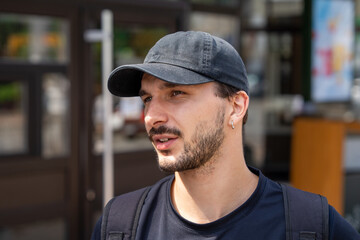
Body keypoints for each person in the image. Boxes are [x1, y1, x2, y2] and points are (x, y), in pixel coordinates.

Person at [91, 31, 360, 240]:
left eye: (176, 93)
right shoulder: (121, 226)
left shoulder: (309, 225)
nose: (151, 116)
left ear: (236, 106)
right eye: (147, 98)